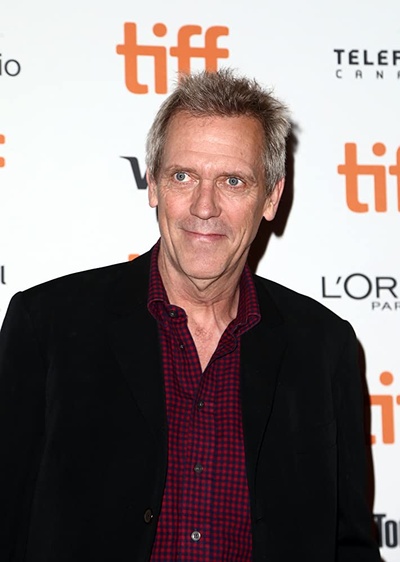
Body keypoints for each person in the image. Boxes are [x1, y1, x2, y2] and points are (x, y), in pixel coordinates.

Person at [0, 69, 380, 562]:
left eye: (233, 181)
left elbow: (348, 545)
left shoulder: (324, 347)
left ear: (270, 197)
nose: (205, 207)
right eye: (183, 176)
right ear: (153, 184)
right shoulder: (46, 326)